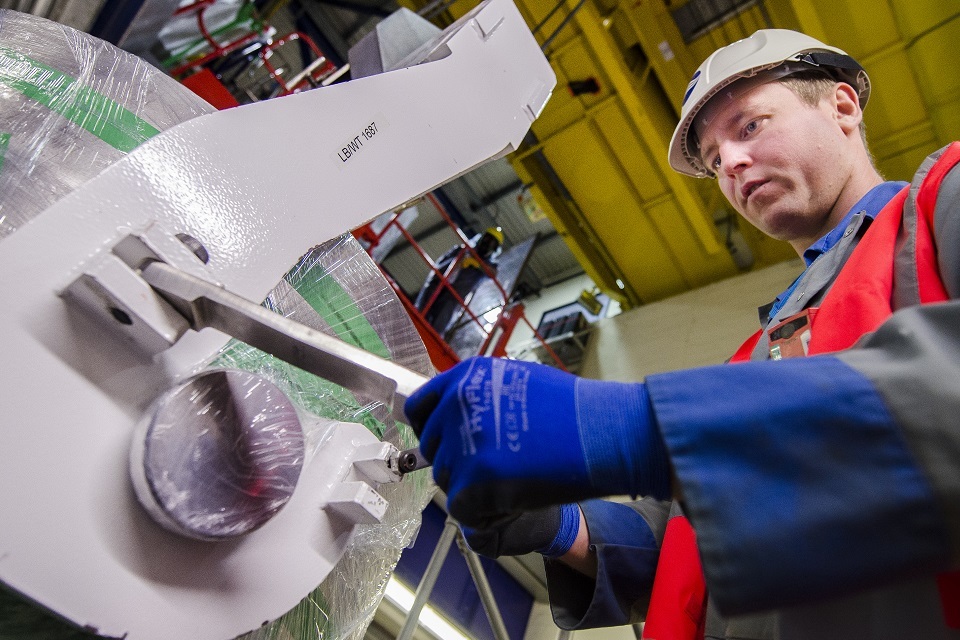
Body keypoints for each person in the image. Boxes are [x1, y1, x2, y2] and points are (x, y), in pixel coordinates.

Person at [404, 29, 960, 640]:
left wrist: (631, 429)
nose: (732, 165)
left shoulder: (944, 199)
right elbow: (689, 551)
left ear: (842, 106)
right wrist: (556, 527)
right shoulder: (752, 364)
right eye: (715, 161)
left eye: (750, 126)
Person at [413, 226, 503, 337]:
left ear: (495, 248)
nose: (487, 243)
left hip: (453, 297)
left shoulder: (488, 265)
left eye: (492, 242)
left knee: (436, 328)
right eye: (487, 238)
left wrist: (477, 263)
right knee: (419, 312)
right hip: (437, 285)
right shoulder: (463, 249)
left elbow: (493, 273)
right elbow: (441, 264)